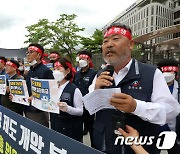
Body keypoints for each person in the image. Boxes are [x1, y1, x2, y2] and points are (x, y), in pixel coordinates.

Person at [88, 23, 180, 154]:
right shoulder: (99, 75)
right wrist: (96, 91)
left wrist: (136, 107)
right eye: (105, 41)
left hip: (140, 147)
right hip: (104, 145)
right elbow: (89, 108)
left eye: (115, 39)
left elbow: (171, 110)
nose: (109, 44)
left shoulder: (152, 73)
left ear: (131, 44)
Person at [50, 58, 83, 142]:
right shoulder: (52, 87)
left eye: (59, 69)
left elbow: (80, 111)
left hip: (70, 129)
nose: (55, 72)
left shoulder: (74, 90)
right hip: (55, 125)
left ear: (67, 70)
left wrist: (67, 108)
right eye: (54, 69)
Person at [25, 43, 54, 127]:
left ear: (38, 55)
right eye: (27, 52)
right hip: (28, 108)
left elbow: (52, 92)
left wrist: (36, 96)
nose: (28, 54)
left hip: (39, 111)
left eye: (31, 52)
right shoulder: (30, 71)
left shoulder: (46, 71)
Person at [73, 50, 97, 146]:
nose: (81, 61)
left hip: (89, 106)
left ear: (89, 60)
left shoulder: (94, 73)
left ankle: (94, 148)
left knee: (91, 128)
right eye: (80, 59)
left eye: (84, 59)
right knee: (78, 128)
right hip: (78, 105)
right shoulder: (77, 74)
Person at [157, 58, 180, 154]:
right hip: (155, 132)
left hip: (175, 133)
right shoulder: (152, 88)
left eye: (171, 71)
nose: (168, 74)